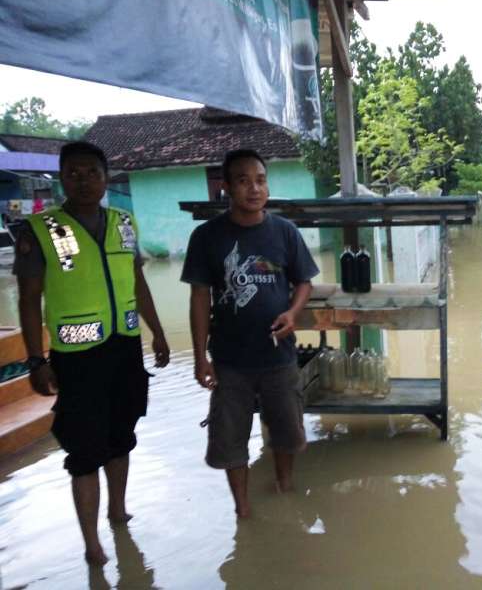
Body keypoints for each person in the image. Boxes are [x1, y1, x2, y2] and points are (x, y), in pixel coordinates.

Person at [14, 141, 170, 565]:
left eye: (92, 173)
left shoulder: (123, 223)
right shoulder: (43, 230)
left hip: (123, 348)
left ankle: (118, 511)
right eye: (74, 173)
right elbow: (29, 299)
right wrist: (36, 360)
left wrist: (157, 332)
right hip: (76, 357)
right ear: (62, 178)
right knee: (84, 450)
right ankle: (92, 544)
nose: (83, 180)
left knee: (122, 435)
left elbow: (137, 282)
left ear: (106, 178)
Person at [181, 148, 319, 518]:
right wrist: (200, 358)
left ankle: (285, 487)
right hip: (229, 359)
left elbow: (304, 281)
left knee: (287, 432)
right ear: (225, 187)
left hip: (278, 355)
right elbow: (198, 298)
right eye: (243, 181)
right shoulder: (207, 237)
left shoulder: (284, 232)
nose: (254, 188)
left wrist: (293, 312)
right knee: (230, 438)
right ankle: (242, 510)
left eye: (260, 180)